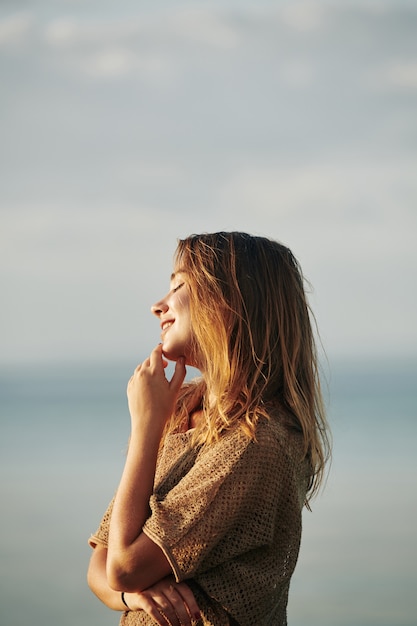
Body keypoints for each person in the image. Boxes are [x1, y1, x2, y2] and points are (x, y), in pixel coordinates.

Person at [87, 231, 331, 626]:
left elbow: (123, 565)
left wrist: (145, 430)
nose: (156, 306)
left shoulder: (258, 443)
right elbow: (101, 564)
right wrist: (132, 596)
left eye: (179, 287)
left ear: (230, 305)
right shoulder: (181, 412)